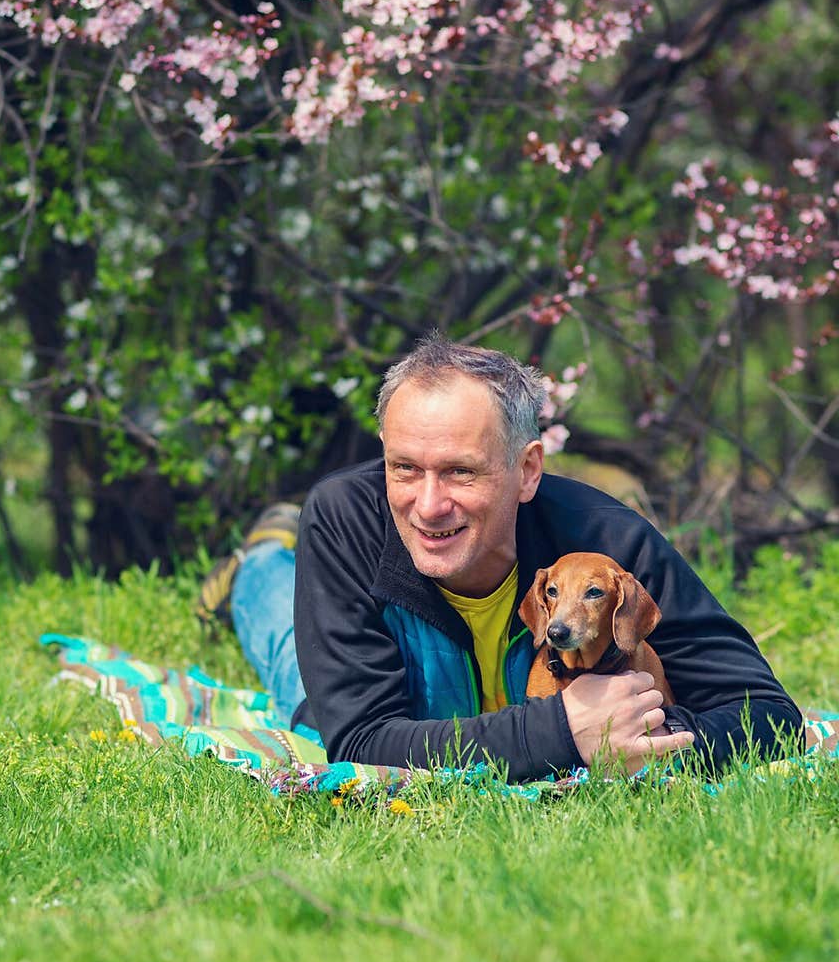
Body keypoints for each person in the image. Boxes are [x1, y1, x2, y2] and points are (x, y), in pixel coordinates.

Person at [198, 332, 804, 782]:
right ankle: (262, 558)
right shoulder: (345, 516)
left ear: (527, 470)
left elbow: (772, 716)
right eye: (404, 468)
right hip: (351, 689)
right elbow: (360, 740)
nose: (429, 506)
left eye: (461, 472)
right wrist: (564, 732)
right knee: (284, 652)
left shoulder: (606, 545)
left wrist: (650, 733)